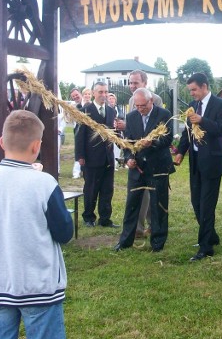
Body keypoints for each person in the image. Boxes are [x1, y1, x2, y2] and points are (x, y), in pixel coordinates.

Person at [0, 110, 73, 339]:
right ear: (37, 146)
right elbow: (64, 232)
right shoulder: (44, 183)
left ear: (2, 142)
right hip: (38, 284)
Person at [174, 72, 222, 261]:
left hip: (213, 161)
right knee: (196, 202)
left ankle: (206, 248)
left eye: (194, 90)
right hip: (196, 160)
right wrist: (181, 151)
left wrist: (203, 120)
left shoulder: (220, 104)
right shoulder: (192, 106)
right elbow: (186, 132)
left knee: (207, 205)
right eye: (190, 90)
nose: (192, 94)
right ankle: (211, 236)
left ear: (204, 86)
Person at [115, 88, 175, 252]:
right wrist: (129, 158)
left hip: (158, 166)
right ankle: (125, 241)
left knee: (158, 205)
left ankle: (157, 242)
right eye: (137, 105)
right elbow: (127, 142)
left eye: (143, 106)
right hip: (137, 168)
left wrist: (153, 143)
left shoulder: (163, 114)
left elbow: (168, 138)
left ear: (151, 102)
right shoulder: (131, 116)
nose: (140, 109)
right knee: (132, 205)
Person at [115, 69, 164, 238]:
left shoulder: (156, 99)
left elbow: (155, 126)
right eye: (130, 82)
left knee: (151, 193)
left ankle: (152, 225)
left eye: (135, 82)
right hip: (135, 153)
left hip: (150, 153)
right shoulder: (130, 99)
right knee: (136, 193)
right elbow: (133, 124)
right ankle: (137, 228)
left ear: (145, 83)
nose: (131, 86)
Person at [74, 81, 120, 228]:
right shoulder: (86, 110)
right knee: (91, 188)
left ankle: (105, 218)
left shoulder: (112, 111)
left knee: (107, 189)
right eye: (100, 92)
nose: (104, 95)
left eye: (106, 92)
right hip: (91, 157)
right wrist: (80, 156)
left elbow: (114, 133)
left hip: (108, 157)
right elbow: (79, 135)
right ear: (93, 93)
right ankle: (88, 217)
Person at [69, 88, 83, 179]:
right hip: (78, 129)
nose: (75, 97)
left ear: (80, 94)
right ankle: (76, 172)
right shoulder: (72, 106)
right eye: (73, 96)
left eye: (76, 95)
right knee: (78, 150)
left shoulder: (87, 103)